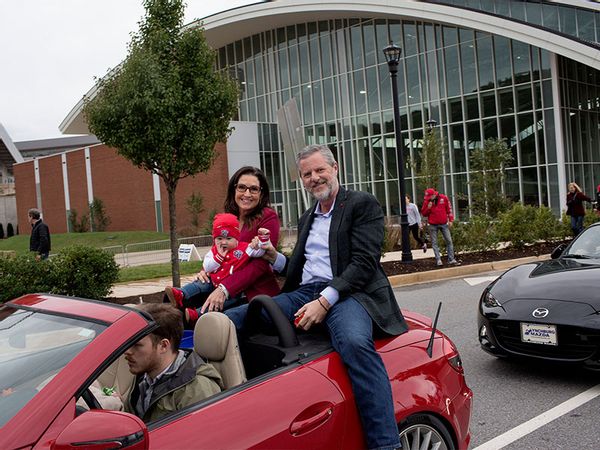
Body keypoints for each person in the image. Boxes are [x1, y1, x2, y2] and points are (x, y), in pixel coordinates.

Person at [226, 144, 408, 450]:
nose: (314, 178)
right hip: (304, 293)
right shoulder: (308, 215)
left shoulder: (361, 204)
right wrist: (274, 258)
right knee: (233, 320)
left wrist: (324, 302)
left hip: (350, 294)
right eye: (307, 174)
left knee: (353, 344)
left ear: (335, 169)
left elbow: (363, 264)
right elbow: (300, 267)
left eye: (319, 170)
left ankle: (386, 445)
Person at [164, 166, 280, 314]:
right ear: (234, 189)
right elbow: (218, 250)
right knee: (173, 308)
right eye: (242, 187)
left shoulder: (268, 217)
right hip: (219, 283)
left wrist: (224, 289)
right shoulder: (228, 218)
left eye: (254, 189)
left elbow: (261, 265)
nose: (247, 194)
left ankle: (197, 318)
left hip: (252, 294)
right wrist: (205, 270)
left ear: (261, 193)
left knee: (211, 320)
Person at [123, 303, 223, 422]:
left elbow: (202, 437)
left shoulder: (197, 389)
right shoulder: (144, 376)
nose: (127, 351)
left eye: (137, 345)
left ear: (163, 345)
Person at [170, 213, 271, 327]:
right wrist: (218, 258)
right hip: (212, 281)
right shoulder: (214, 251)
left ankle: (197, 314)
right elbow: (207, 266)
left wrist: (262, 240)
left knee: (217, 304)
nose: (223, 242)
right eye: (219, 238)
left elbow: (260, 252)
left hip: (232, 291)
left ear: (236, 237)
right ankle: (181, 294)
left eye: (228, 238)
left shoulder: (243, 249)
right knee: (200, 283)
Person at [421, 188, 458, 266]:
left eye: (430, 197)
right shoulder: (426, 201)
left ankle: (451, 259)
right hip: (433, 225)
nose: (428, 199)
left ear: (434, 195)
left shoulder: (443, 198)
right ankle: (438, 260)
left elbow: (449, 209)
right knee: (434, 243)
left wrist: (451, 220)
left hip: (444, 223)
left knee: (449, 240)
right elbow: (424, 213)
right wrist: (428, 207)